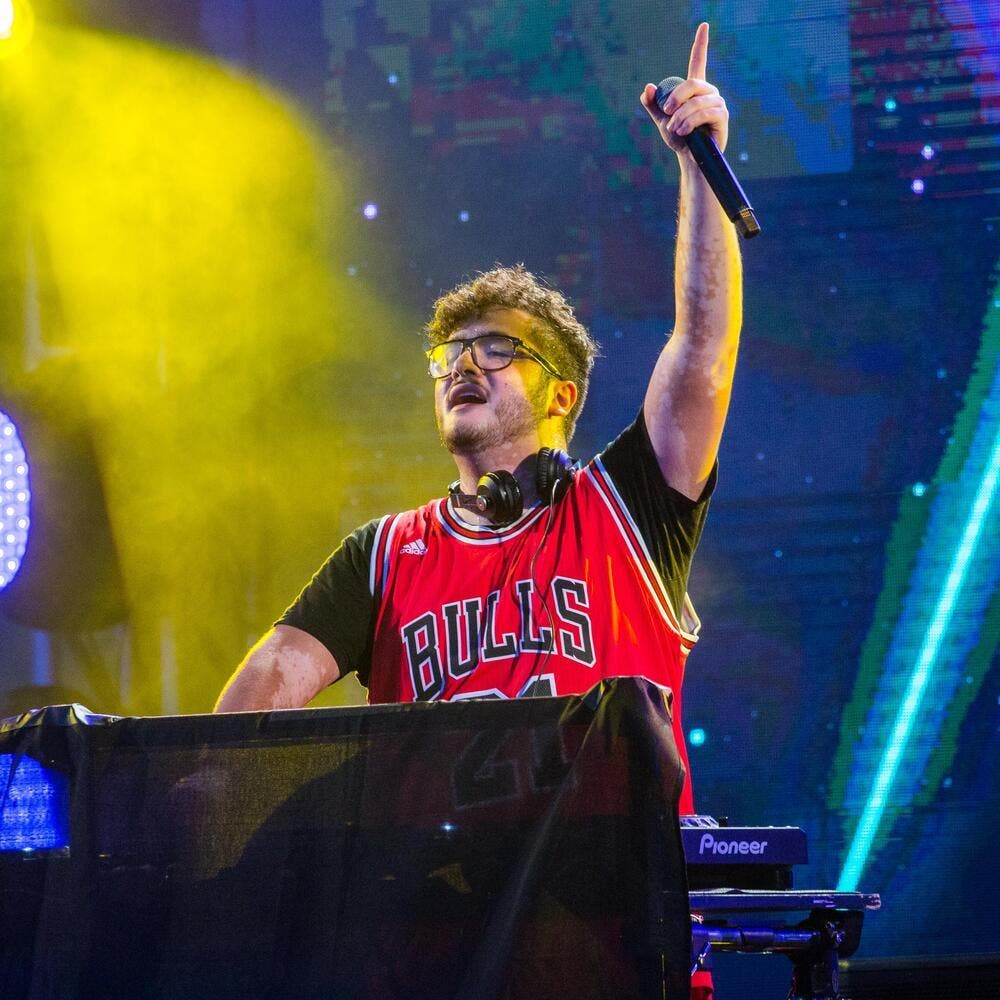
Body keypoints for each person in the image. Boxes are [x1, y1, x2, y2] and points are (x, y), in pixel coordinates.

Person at [216, 26, 738, 990]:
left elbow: (700, 353)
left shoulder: (626, 507)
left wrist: (700, 168)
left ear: (560, 393)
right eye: (451, 352)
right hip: (435, 961)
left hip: (608, 954)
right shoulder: (383, 554)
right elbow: (262, 694)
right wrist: (204, 799)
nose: (465, 362)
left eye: (497, 349)